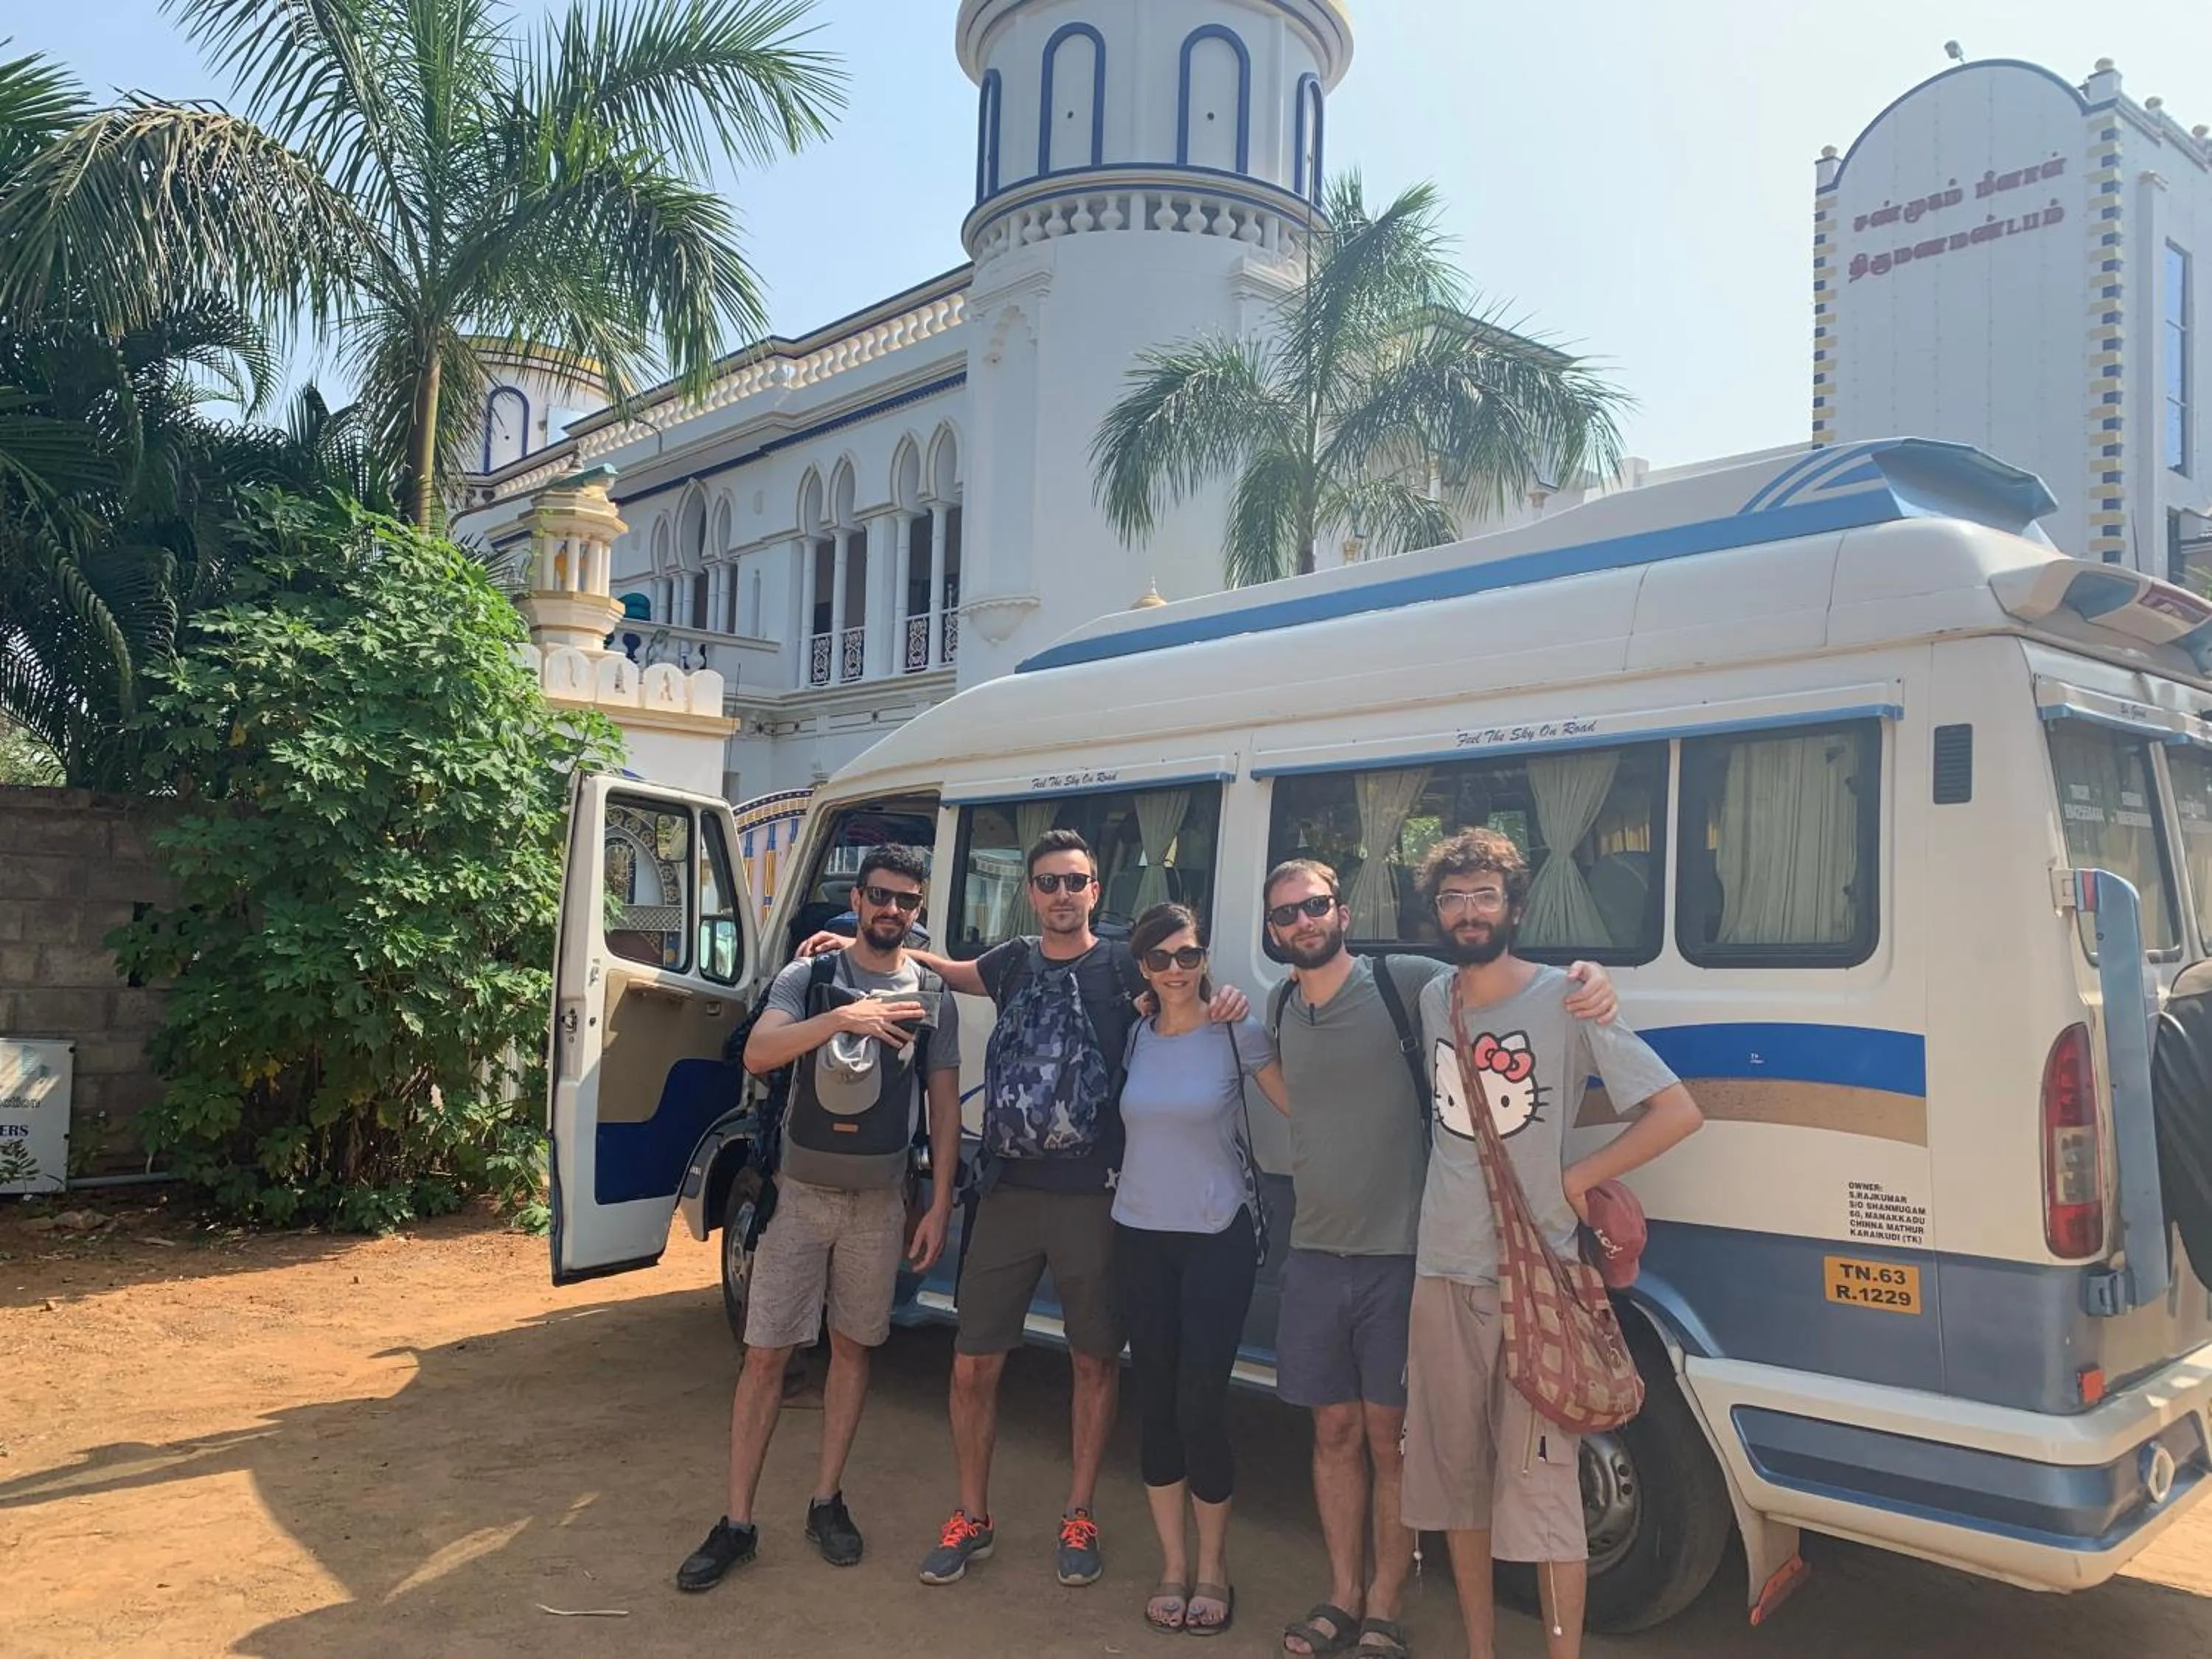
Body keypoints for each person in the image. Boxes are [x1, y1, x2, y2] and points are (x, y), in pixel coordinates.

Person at [803, 829, 1246, 1589]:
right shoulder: (1012, 960)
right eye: (1047, 883)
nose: (1062, 895)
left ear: (1095, 892)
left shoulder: (1122, 967)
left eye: (1075, 882)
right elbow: (950, 971)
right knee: (974, 1363)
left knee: (1093, 1361)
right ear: (1031, 893)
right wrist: (851, 938)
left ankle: (1078, 1513)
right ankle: (971, 1516)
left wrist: (1223, 997)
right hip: (1006, 1190)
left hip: (1095, 1197)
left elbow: (1184, 990)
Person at [1261, 860, 1617, 1659]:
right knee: (1332, 1432)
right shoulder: (1280, 1004)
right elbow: (1294, 1090)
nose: (1303, 922)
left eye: (1315, 906)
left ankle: (1387, 1600)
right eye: (1286, 915)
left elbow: (1501, 972)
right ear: (1273, 931)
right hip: (1317, 1249)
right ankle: (1343, 1593)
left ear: (1342, 912)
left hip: (1407, 1253)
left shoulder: (1408, 982)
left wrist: (1593, 979)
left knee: (1396, 1440)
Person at [1402, 830, 1702, 1659]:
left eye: (1484, 897)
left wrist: (1580, 1180)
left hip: (1535, 1279)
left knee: (1546, 1496)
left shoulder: (1566, 998)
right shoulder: (1436, 1000)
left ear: (1515, 908)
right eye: (1453, 899)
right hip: (1442, 1269)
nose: (1468, 913)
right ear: (1436, 912)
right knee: (1455, 1485)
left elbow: (1676, 1109)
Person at [675, 846, 960, 1592]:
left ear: (917, 910)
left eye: (905, 899)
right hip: (798, 1197)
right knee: (765, 1354)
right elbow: (763, 1054)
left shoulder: (931, 992)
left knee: (853, 1350)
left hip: (880, 1202)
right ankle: (737, 1521)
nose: (891, 909)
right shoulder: (809, 976)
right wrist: (843, 1015)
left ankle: (827, 1500)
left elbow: (944, 1104)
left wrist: (938, 1201)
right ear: (857, 900)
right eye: (879, 896)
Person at [1114, 902, 1287, 1636]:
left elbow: (1304, 1109)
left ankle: (1213, 1568)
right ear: (1143, 969)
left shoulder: (1237, 1032)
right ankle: (1173, 1567)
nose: (1178, 970)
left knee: (1200, 1404)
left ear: (1204, 958)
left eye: (1189, 956)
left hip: (1217, 1238)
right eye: (1161, 959)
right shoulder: (1136, 1035)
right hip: (1139, 1238)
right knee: (1154, 1403)